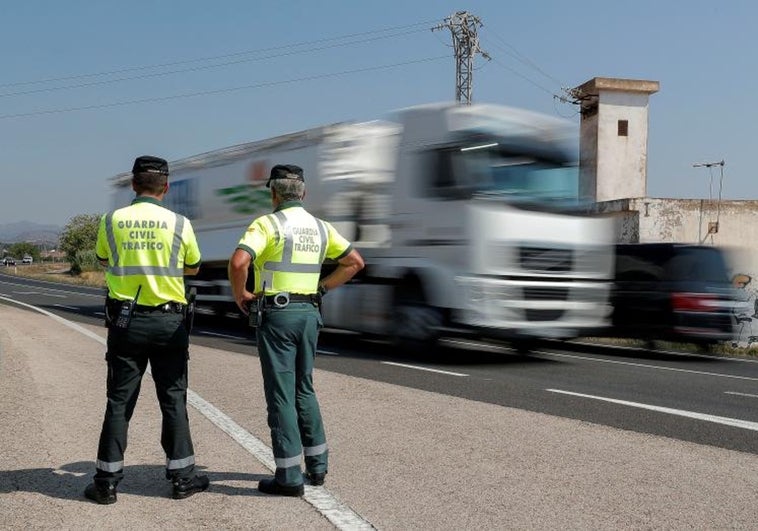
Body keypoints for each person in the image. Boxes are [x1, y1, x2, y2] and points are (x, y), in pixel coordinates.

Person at [228, 164, 364, 496]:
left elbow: (238, 262)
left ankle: (288, 476)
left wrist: (240, 295)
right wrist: (322, 289)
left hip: (277, 314)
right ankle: (317, 468)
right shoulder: (321, 228)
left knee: (281, 394)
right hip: (309, 314)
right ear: (303, 193)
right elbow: (355, 263)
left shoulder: (267, 224)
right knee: (305, 388)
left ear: (273, 193)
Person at [84, 155, 209, 504]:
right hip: (170, 323)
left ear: (133, 185)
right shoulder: (180, 224)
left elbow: (105, 259)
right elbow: (194, 268)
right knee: (173, 398)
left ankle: (106, 483)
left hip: (126, 322)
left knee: (119, 401)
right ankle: (183, 478)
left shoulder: (112, 221)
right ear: (165, 188)